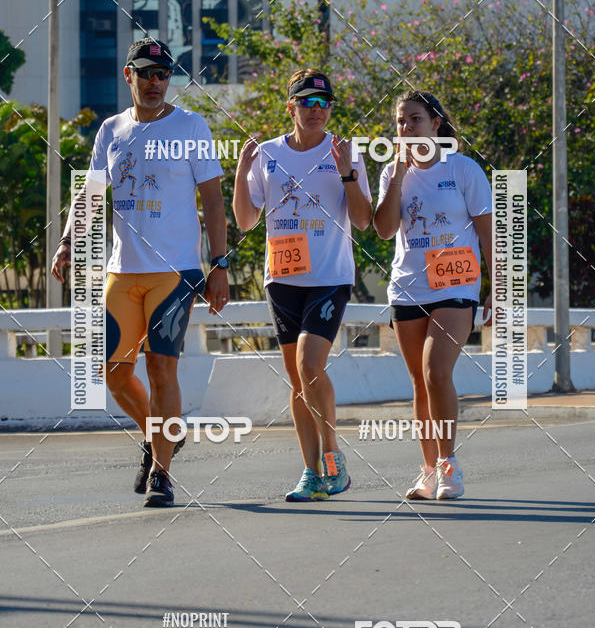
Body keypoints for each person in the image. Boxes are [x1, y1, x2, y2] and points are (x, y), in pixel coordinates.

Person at [52, 38, 229, 508]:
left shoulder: (191, 125)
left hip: (174, 272)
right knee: (111, 372)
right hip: (122, 270)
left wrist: (219, 265)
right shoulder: (111, 130)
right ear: (128, 76)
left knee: (159, 367)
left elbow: (213, 201)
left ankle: (162, 473)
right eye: (146, 73)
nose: (156, 82)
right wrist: (69, 240)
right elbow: (91, 191)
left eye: (163, 74)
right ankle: (160, 435)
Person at [233, 69, 372, 501]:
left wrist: (347, 172)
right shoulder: (267, 154)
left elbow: (365, 221)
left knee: (312, 365)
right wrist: (241, 171)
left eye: (324, 103)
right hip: (283, 279)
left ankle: (333, 457)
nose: (316, 110)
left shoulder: (345, 152)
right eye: (307, 103)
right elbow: (244, 220)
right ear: (290, 107)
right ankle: (311, 473)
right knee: (297, 380)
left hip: (329, 277)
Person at [374, 90, 492, 500]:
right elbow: (385, 230)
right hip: (409, 287)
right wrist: (400, 176)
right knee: (419, 384)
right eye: (401, 121)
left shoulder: (463, 170)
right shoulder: (392, 173)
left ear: (435, 124)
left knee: (435, 370)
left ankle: (449, 466)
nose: (406, 128)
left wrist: (496, 287)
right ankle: (427, 470)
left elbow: (487, 233)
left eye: (415, 119)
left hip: (457, 284)